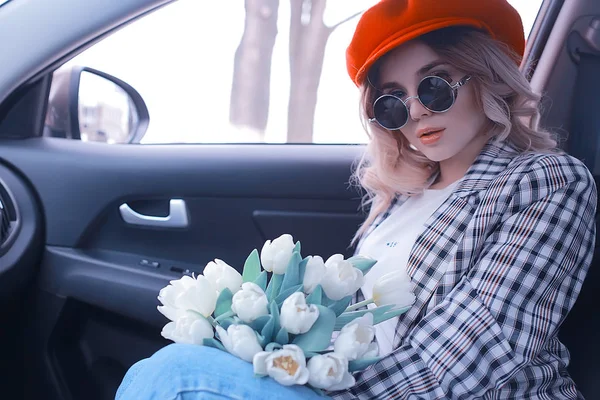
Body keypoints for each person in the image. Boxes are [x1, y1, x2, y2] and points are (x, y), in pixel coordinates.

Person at [115, 0, 597, 399]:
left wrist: (326, 391)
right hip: (350, 386)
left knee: (177, 375)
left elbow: (479, 346)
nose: (416, 110)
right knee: (159, 370)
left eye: (434, 85)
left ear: (484, 78)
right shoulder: (402, 200)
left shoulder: (545, 181)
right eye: (391, 100)